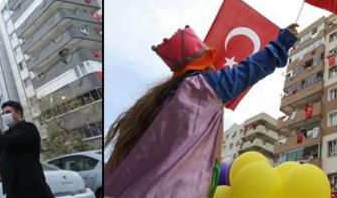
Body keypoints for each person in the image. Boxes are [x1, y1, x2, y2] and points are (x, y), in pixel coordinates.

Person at [105, 24, 299, 197]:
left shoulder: (160, 101)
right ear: (204, 63)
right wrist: (282, 43)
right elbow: (249, 70)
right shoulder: (200, 89)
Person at [0, 101, 54, 198]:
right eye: (3, 113)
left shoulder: (28, 128)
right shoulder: (6, 134)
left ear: (18, 113)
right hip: (13, 189)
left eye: (8, 112)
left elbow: (10, 142)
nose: (5, 115)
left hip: (32, 189)